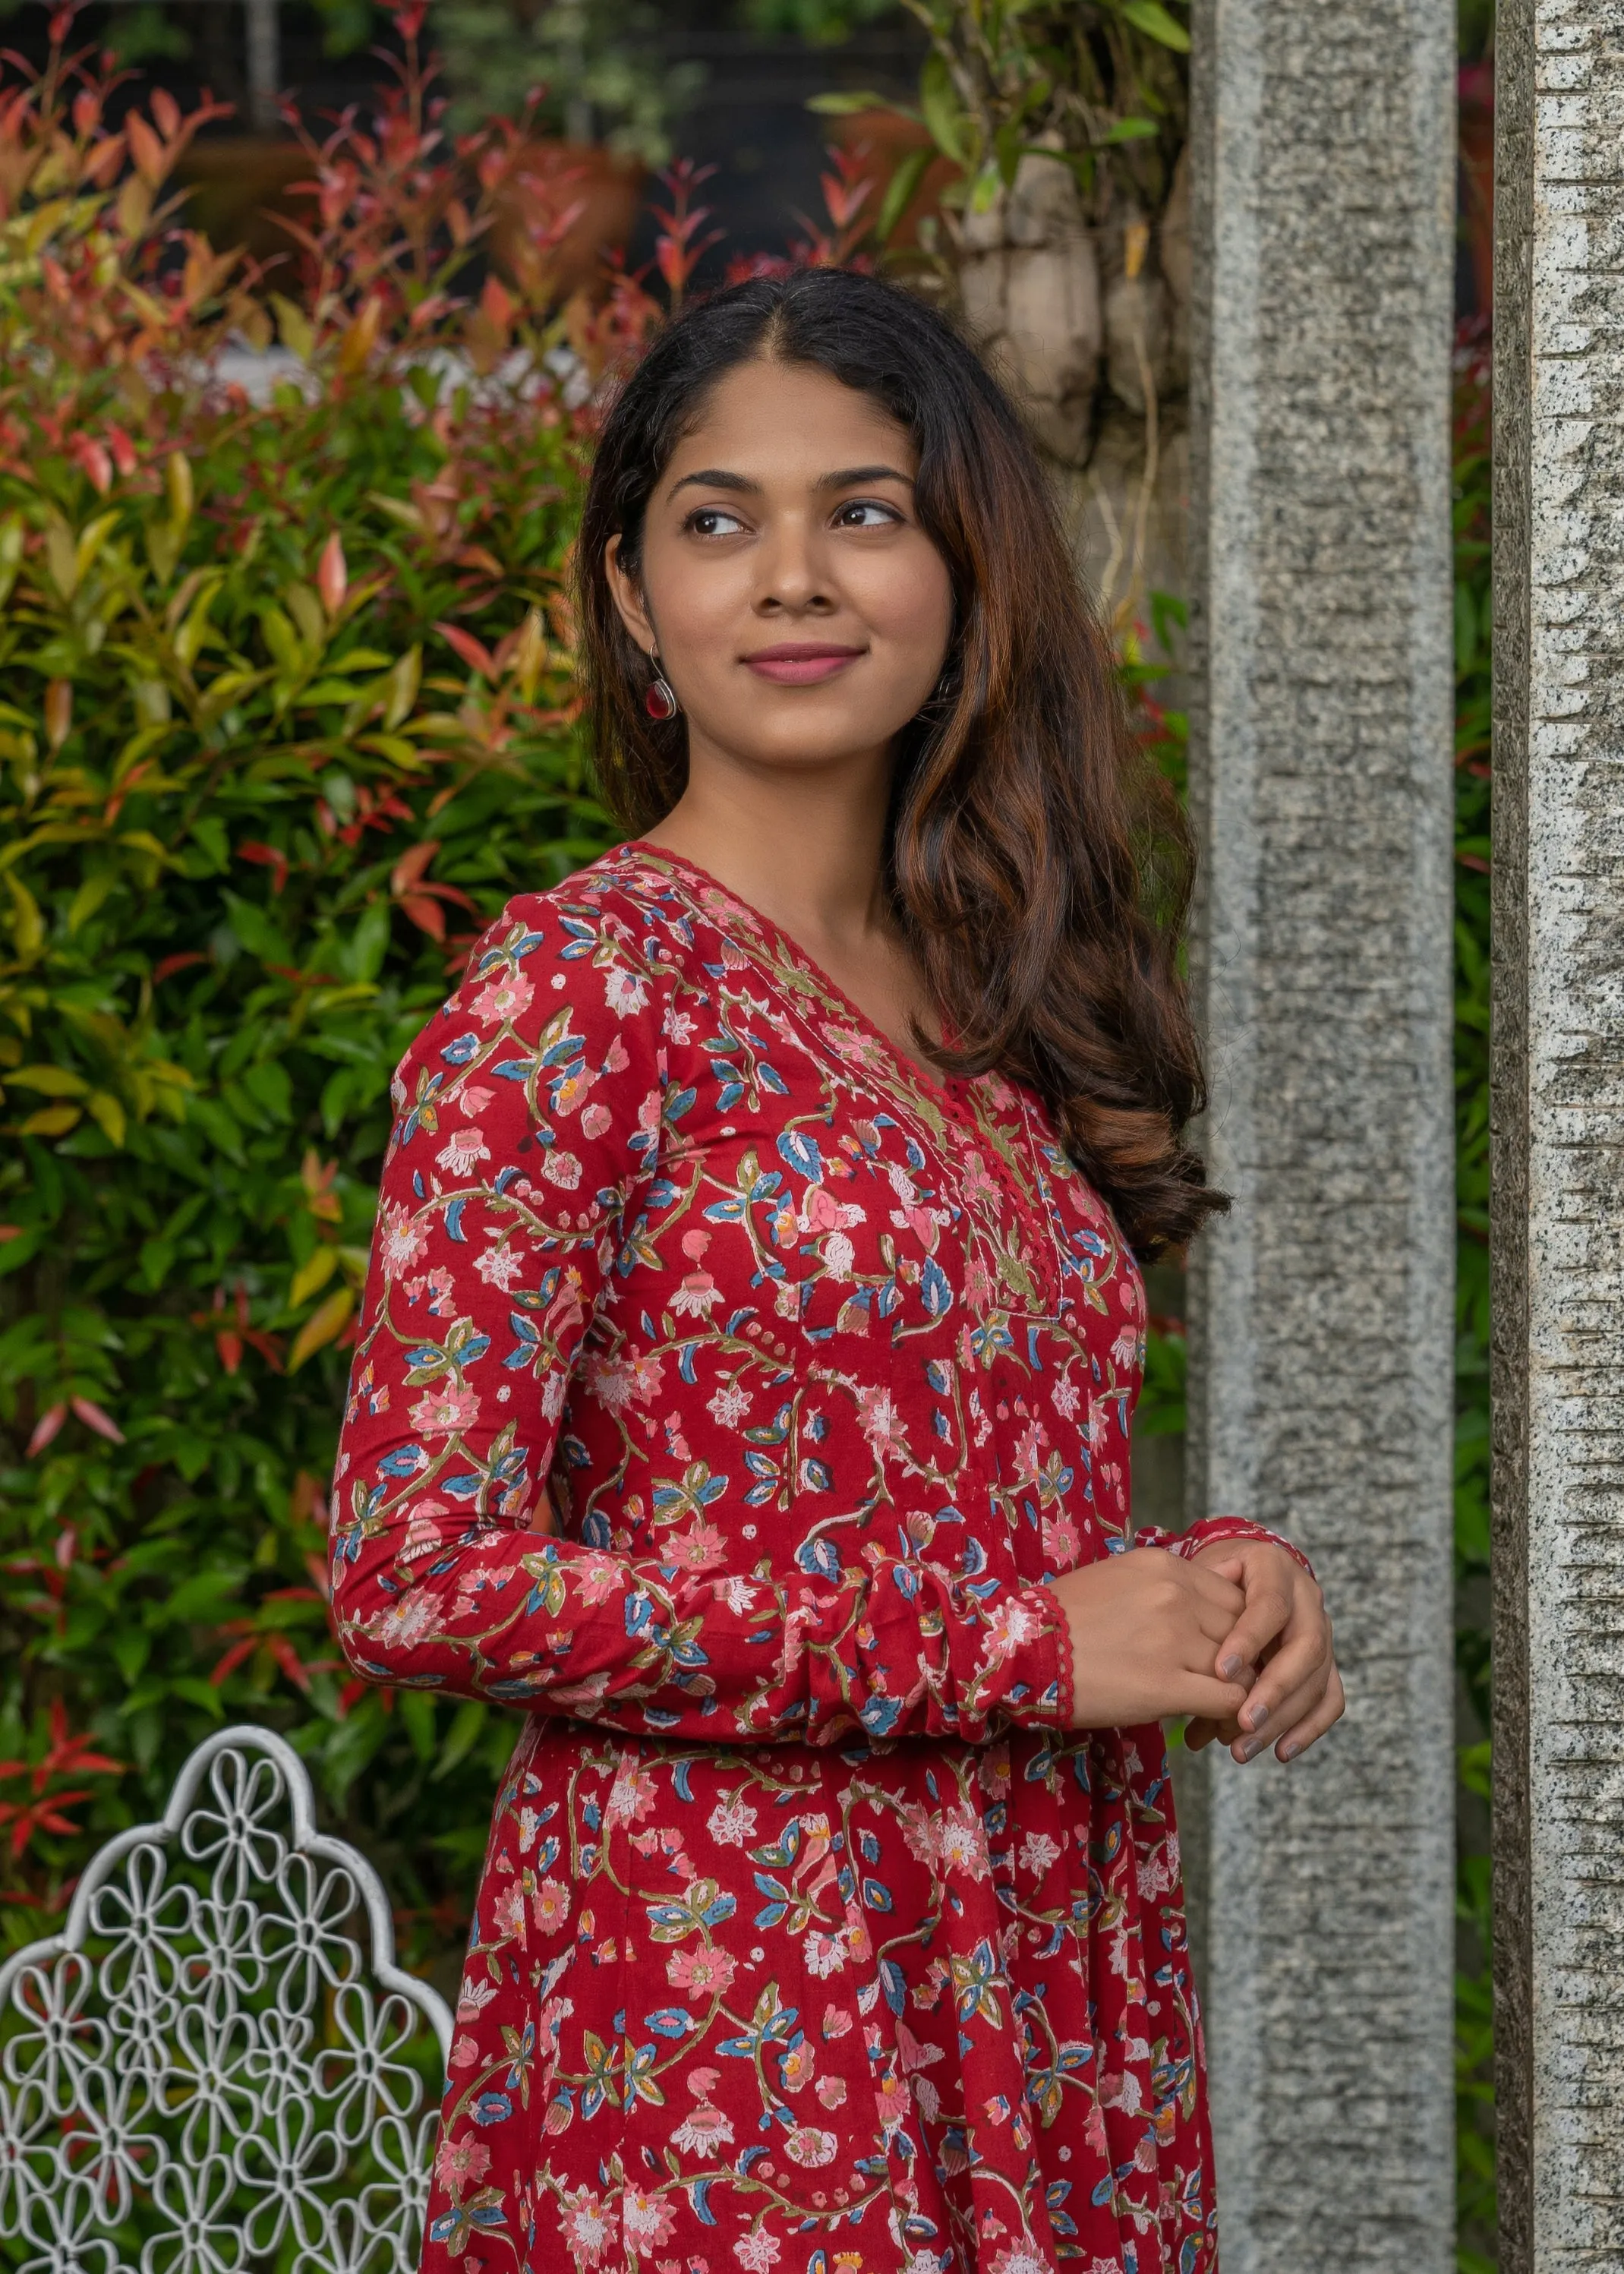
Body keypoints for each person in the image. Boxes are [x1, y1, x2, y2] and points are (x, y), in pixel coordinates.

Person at [331, 267, 1343, 2274]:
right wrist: (1014, 1657)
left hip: (1049, 1994)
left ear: (966, 563)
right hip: (739, 2027)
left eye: (863, 512)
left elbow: (955, 1496)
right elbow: (414, 1565)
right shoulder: (581, 996)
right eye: (720, 521)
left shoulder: (992, 1002)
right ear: (635, 602)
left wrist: (1209, 1582)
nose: (794, 576)